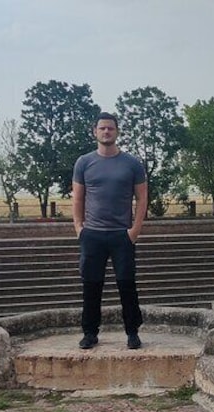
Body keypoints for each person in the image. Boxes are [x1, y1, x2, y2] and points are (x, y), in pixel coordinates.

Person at [72, 112, 148, 350]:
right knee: (91, 285)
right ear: (95, 131)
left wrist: (134, 230)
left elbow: (142, 198)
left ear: (117, 132)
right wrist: (79, 228)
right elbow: (78, 197)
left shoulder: (132, 164)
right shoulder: (84, 163)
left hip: (121, 235)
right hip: (92, 234)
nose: (106, 132)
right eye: (102, 128)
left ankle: (132, 332)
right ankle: (90, 333)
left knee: (127, 284)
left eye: (110, 129)